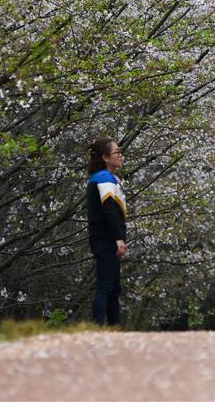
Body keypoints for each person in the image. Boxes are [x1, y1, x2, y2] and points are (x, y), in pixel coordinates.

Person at [86, 137, 127, 326]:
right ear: (105, 157)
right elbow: (109, 210)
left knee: (113, 288)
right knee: (105, 286)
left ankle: (114, 331)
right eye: (117, 152)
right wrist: (118, 237)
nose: (120, 155)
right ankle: (97, 330)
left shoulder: (105, 178)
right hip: (106, 239)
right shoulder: (104, 179)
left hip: (104, 238)